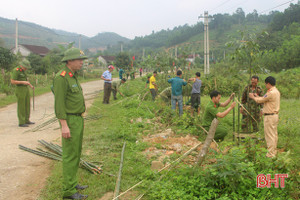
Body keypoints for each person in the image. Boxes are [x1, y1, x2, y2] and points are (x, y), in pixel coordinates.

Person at [52, 48, 88, 199]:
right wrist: (64, 125)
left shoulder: (73, 76)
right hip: (70, 120)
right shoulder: (62, 78)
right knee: (69, 155)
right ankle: (68, 191)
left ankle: (73, 183)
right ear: (69, 61)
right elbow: (59, 104)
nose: (82, 62)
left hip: (78, 119)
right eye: (79, 60)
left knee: (76, 153)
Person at [249, 76, 280, 158]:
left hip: (269, 116)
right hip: (275, 116)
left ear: (269, 84)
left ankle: (270, 154)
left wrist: (253, 97)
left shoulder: (271, 92)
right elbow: (263, 98)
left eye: (266, 84)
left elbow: (260, 100)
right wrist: (256, 95)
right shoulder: (276, 91)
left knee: (269, 136)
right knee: (274, 134)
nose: (265, 86)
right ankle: (274, 151)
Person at [10, 59, 35, 127]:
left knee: (27, 104)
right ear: (21, 65)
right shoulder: (16, 70)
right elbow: (13, 81)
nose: (26, 68)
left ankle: (27, 120)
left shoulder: (23, 71)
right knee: (21, 106)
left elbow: (25, 80)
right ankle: (21, 122)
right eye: (25, 67)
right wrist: (23, 82)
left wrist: (30, 85)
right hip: (20, 89)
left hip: (25, 88)